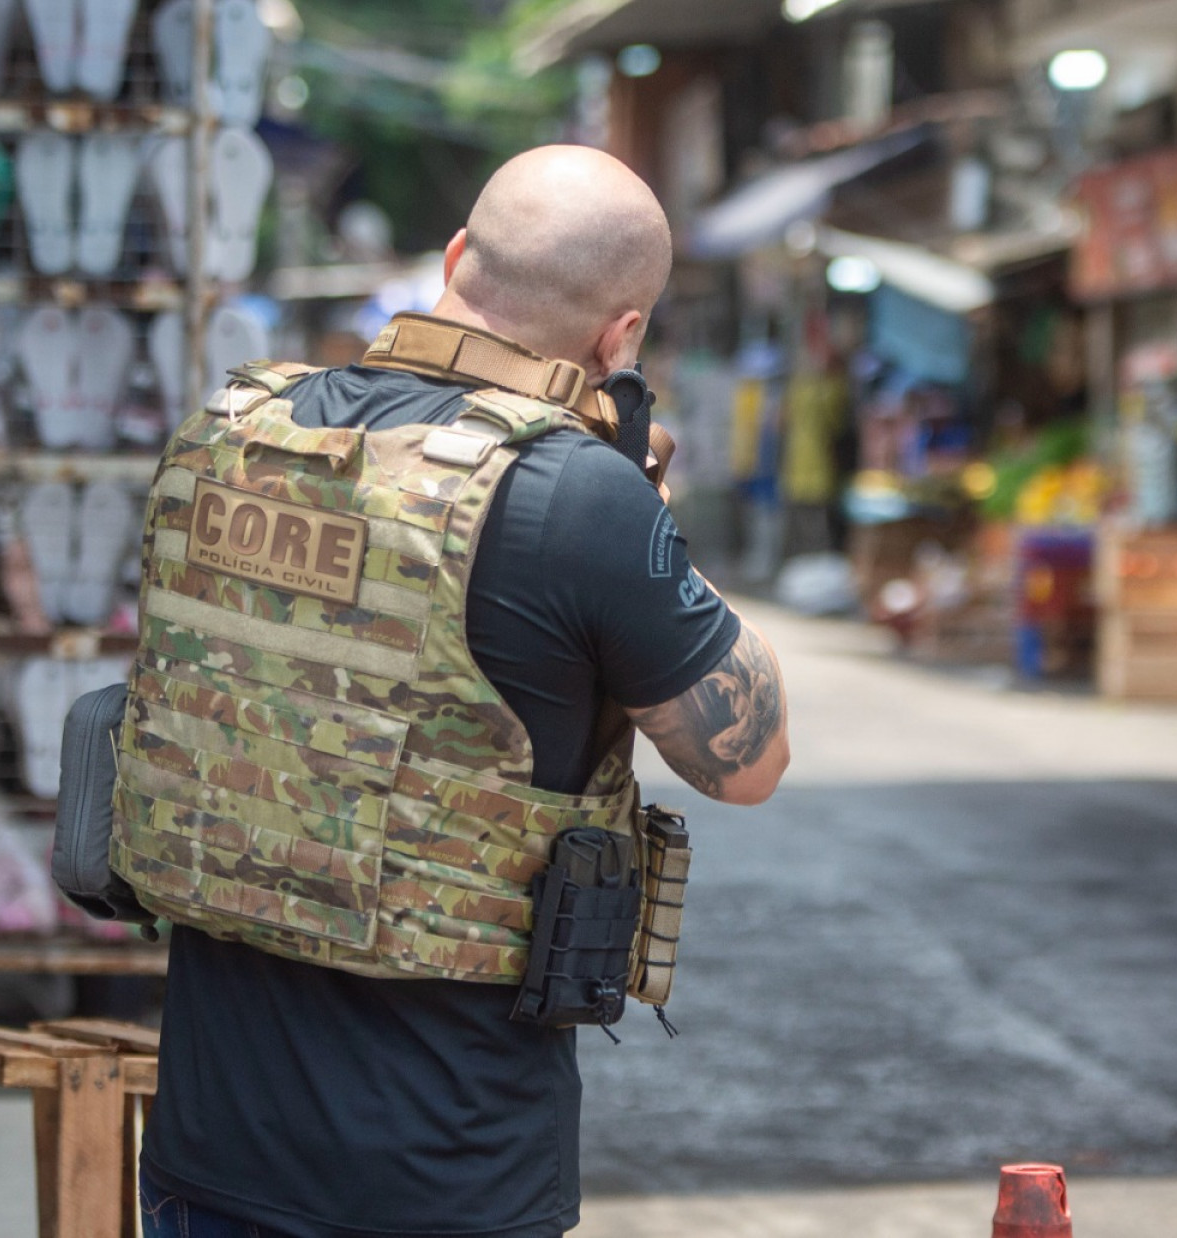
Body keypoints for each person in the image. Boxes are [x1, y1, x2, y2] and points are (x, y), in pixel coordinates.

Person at [125, 145, 790, 1238]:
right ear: (621, 336)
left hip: (210, 1147)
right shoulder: (582, 498)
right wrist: (643, 501)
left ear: (453, 260)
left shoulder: (240, 430)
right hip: (448, 1171)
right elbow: (749, 762)